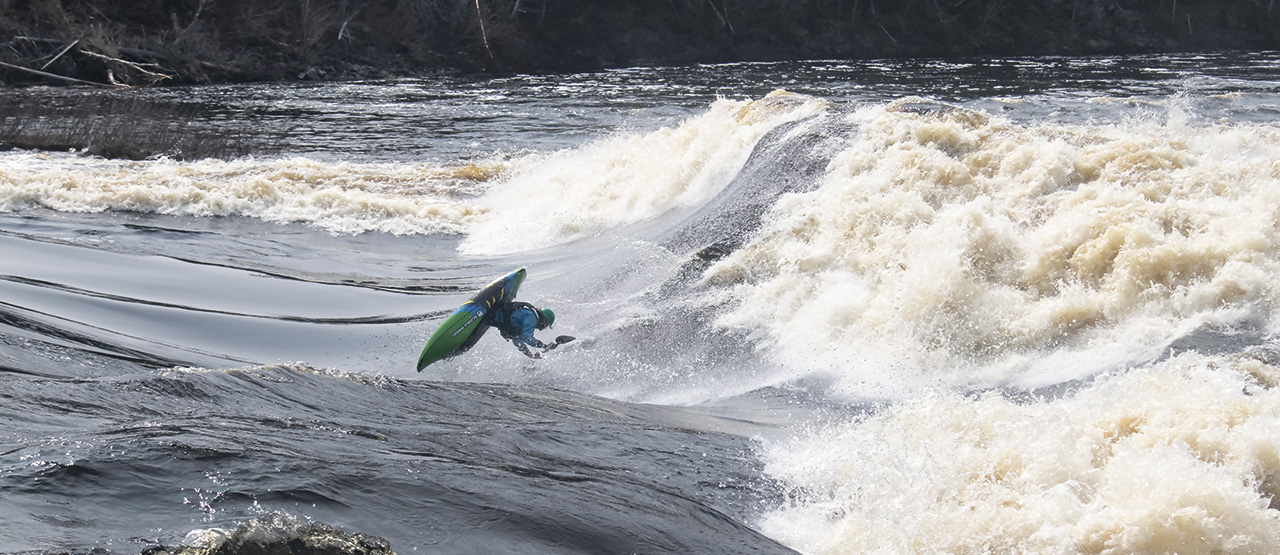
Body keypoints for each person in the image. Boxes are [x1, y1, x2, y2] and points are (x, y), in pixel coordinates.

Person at [489, 301, 558, 358]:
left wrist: (530, 355)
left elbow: (517, 340)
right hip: (493, 313)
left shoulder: (528, 319)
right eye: (544, 326)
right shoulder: (532, 317)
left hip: (491, 319)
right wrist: (544, 346)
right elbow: (527, 337)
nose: (541, 329)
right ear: (543, 320)